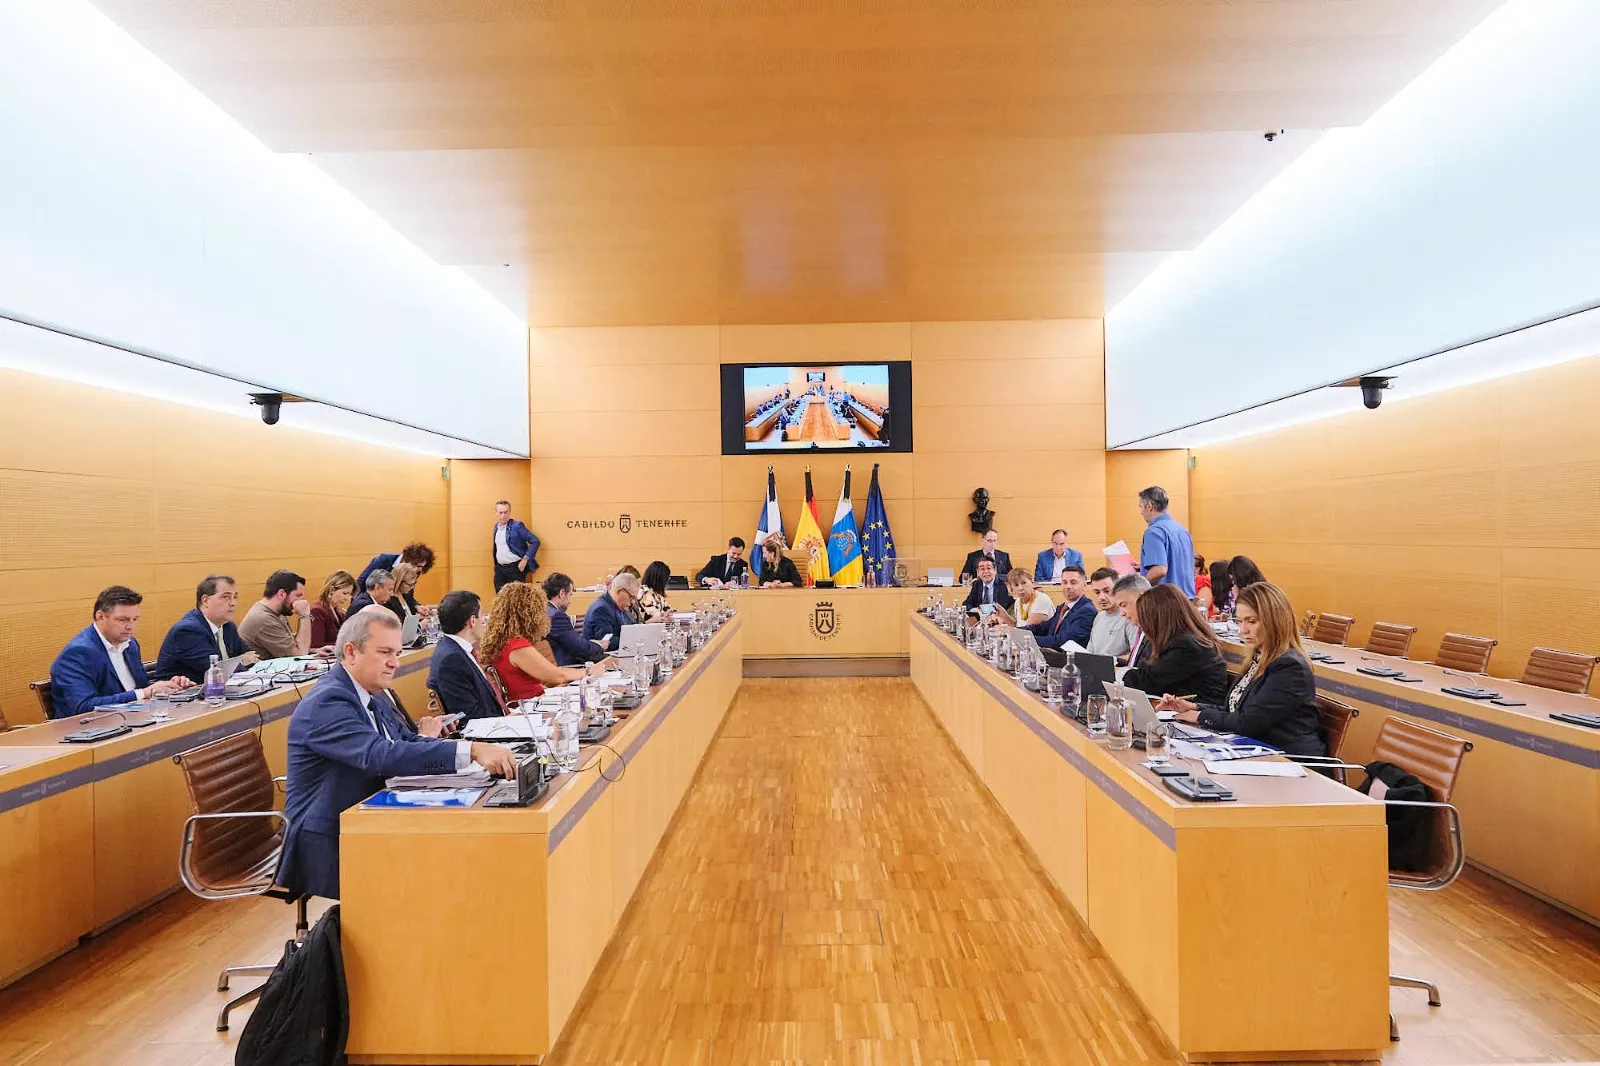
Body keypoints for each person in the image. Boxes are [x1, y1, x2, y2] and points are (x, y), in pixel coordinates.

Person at [278, 608, 517, 899]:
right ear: (351, 652)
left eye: (397, 653)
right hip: (327, 838)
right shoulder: (329, 701)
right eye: (384, 652)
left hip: (369, 819)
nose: (394, 663)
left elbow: (407, 740)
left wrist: (470, 754)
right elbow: (380, 755)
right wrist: (471, 750)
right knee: (433, 876)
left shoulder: (370, 693)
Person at [1160, 582, 1327, 758]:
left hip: (1291, 761)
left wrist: (1200, 716)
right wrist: (1193, 707)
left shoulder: (1289, 667)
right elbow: (1237, 710)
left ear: (1275, 620)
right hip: (1259, 752)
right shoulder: (1259, 658)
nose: (1243, 630)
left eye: (1251, 621)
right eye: (1240, 621)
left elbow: (1249, 722)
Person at [50, 585, 194, 717]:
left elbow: (139, 687)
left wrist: (166, 685)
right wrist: (143, 693)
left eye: (135, 619)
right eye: (123, 620)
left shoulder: (130, 644)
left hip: (132, 718)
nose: (130, 627)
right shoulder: (78, 653)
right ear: (100, 617)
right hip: (91, 729)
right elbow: (82, 706)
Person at [481, 582, 596, 702]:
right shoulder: (516, 646)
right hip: (533, 706)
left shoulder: (499, 640)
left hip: (531, 702)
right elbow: (557, 676)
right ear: (529, 614)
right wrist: (590, 671)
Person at [1122, 585, 1229, 706]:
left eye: (1145, 617)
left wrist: (1124, 674)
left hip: (1199, 714)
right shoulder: (1181, 640)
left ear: (1157, 617)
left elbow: (1145, 681)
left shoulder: (1186, 647)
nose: (1143, 623)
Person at [155, 575, 260, 683]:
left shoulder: (228, 627)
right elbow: (216, 671)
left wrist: (243, 661)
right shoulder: (188, 631)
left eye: (235, 597)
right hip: (178, 695)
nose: (233, 603)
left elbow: (251, 657)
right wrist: (241, 662)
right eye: (226, 597)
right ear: (205, 600)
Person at [427, 590, 503, 721]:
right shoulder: (451, 659)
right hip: (489, 732)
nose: (485, 622)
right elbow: (469, 717)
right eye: (482, 616)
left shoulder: (455, 649)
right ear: (472, 621)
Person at [238, 570, 313, 659]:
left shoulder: (276, 612)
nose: (302, 600)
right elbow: (300, 655)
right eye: (298, 595)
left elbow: (290, 644)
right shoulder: (263, 618)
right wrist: (304, 614)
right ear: (281, 594)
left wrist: (315, 650)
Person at [1137, 486, 1196, 597]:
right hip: (1186, 599)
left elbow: (1160, 570)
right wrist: (1144, 565)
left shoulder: (1153, 532)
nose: (1141, 512)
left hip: (1165, 602)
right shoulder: (1183, 530)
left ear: (1149, 506)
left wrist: (1138, 587)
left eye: (1141, 507)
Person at [543, 572, 610, 666]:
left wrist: (590, 643)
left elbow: (572, 640)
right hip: (566, 667)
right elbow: (579, 646)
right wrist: (600, 646)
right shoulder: (557, 616)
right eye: (570, 595)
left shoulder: (544, 610)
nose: (570, 601)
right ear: (562, 593)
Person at [1028, 565, 1096, 649]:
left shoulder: (1087, 611)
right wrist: (1017, 631)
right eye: (1064, 582)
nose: (1068, 586)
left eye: (1073, 582)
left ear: (1084, 584)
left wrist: (1028, 640)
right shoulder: (1062, 607)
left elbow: (1062, 642)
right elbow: (1043, 627)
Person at [1086, 567, 1135, 659]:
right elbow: (1090, 653)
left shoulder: (1130, 617)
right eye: (1097, 592)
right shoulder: (1098, 617)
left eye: (1107, 591)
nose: (1102, 597)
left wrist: (1109, 662)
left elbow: (1136, 655)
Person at [492, 500, 541, 591]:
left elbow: (535, 541)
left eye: (506, 512)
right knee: (500, 599)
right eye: (500, 512)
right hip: (500, 570)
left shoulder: (517, 526)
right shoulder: (496, 527)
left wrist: (525, 559)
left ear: (509, 512)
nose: (503, 516)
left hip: (515, 569)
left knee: (516, 599)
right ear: (496, 513)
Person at [583, 572, 640, 649]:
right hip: (601, 659)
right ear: (620, 591)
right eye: (631, 597)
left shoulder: (619, 605)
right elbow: (606, 642)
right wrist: (634, 640)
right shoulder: (601, 609)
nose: (633, 602)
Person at [356, 542, 435, 591]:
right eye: (415, 565)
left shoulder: (417, 570)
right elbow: (361, 583)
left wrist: (416, 606)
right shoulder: (383, 560)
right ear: (405, 558)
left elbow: (408, 593)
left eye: (421, 567)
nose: (417, 570)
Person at [1113, 573, 1154, 666]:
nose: (1122, 613)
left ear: (1141, 598)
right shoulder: (1142, 630)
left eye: (1123, 605)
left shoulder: (1158, 633)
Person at [310, 570, 357, 649]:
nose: (347, 598)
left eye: (349, 594)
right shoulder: (317, 611)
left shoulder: (339, 612)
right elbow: (317, 644)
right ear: (332, 590)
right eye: (345, 593)